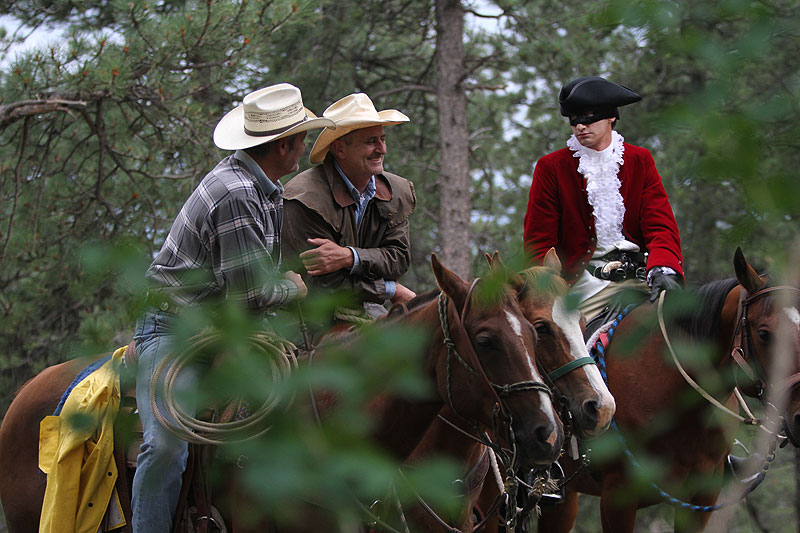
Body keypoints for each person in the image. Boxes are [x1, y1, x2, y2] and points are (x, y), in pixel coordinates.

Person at [131, 83, 333, 533]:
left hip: (221, 327)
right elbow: (251, 295)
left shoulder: (266, 188)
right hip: (173, 329)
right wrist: (293, 289)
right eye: (302, 139)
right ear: (283, 145)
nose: (304, 148)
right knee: (165, 445)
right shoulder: (238, 193)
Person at [523, 76, 683, 323]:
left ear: (611, 116)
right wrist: (551, 288)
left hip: (640, 280)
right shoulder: (552, 167)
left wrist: (664, 267)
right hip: (583, 288)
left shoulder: (640, 160)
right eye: (573, 120)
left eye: (588, 116)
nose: (580, 127)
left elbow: (660, 226)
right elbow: (539, 243)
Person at [281, 93, 417, 323]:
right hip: (306, 316)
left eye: (382, 139)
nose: (382, 149)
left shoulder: (396, 191)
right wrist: (391, 290)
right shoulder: (306, 198)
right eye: (371, 141)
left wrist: (349, 257)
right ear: (340, 149)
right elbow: (326, 283)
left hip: (365, 307)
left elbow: (398, 259)